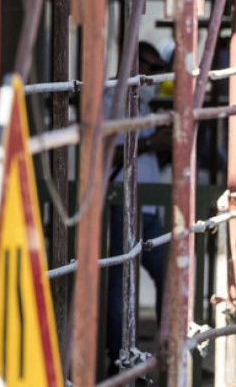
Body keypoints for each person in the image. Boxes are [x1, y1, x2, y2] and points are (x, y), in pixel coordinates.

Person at [105, 42, 169, 372]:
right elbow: (104, 152)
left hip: (146, 208)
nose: (155, 76)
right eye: (151, 67)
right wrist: (149, 143)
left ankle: (163, 352)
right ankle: (118, 357)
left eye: (159, 69)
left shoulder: (141, 105)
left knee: (164, 276)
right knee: (121, 283)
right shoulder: (111, 100)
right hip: (122, 204)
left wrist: (162, 147)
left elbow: (145, 156)